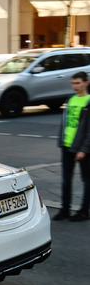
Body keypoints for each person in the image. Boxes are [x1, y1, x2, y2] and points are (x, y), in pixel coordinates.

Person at [53, 71, 90, 222]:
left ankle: (84, 211)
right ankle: (65, 209)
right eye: (73, 83)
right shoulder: (70, 100)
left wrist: (84, 149)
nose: (75, 86)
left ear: (86, 83)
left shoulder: (88, 101)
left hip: (82, 147)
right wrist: (62, 141)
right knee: (65, 180)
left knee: (87, 180)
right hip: (67, 145)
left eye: (78, 83)